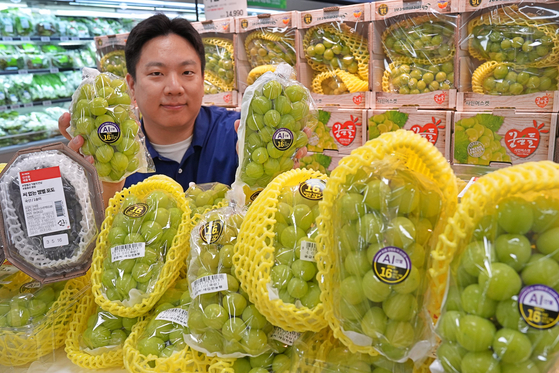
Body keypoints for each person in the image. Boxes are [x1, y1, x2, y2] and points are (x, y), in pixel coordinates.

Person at [57, 14, 240, 205]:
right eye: (156, 73)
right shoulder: (109, 153)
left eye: (187, 72)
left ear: (202, 81)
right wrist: (100, 186)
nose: (174, 88)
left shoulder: (238, 133)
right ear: (131, 86)